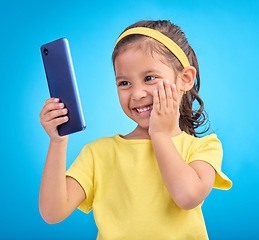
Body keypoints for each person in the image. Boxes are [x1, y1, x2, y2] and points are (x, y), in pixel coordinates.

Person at [39, 20, 232, 240]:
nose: (137, 93)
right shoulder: (99, 154)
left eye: (149, 78)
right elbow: (52, 213)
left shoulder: (203, 147)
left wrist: (159, 134)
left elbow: (187, 196)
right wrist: (58, 141)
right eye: (124, 83)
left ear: (185, 79)